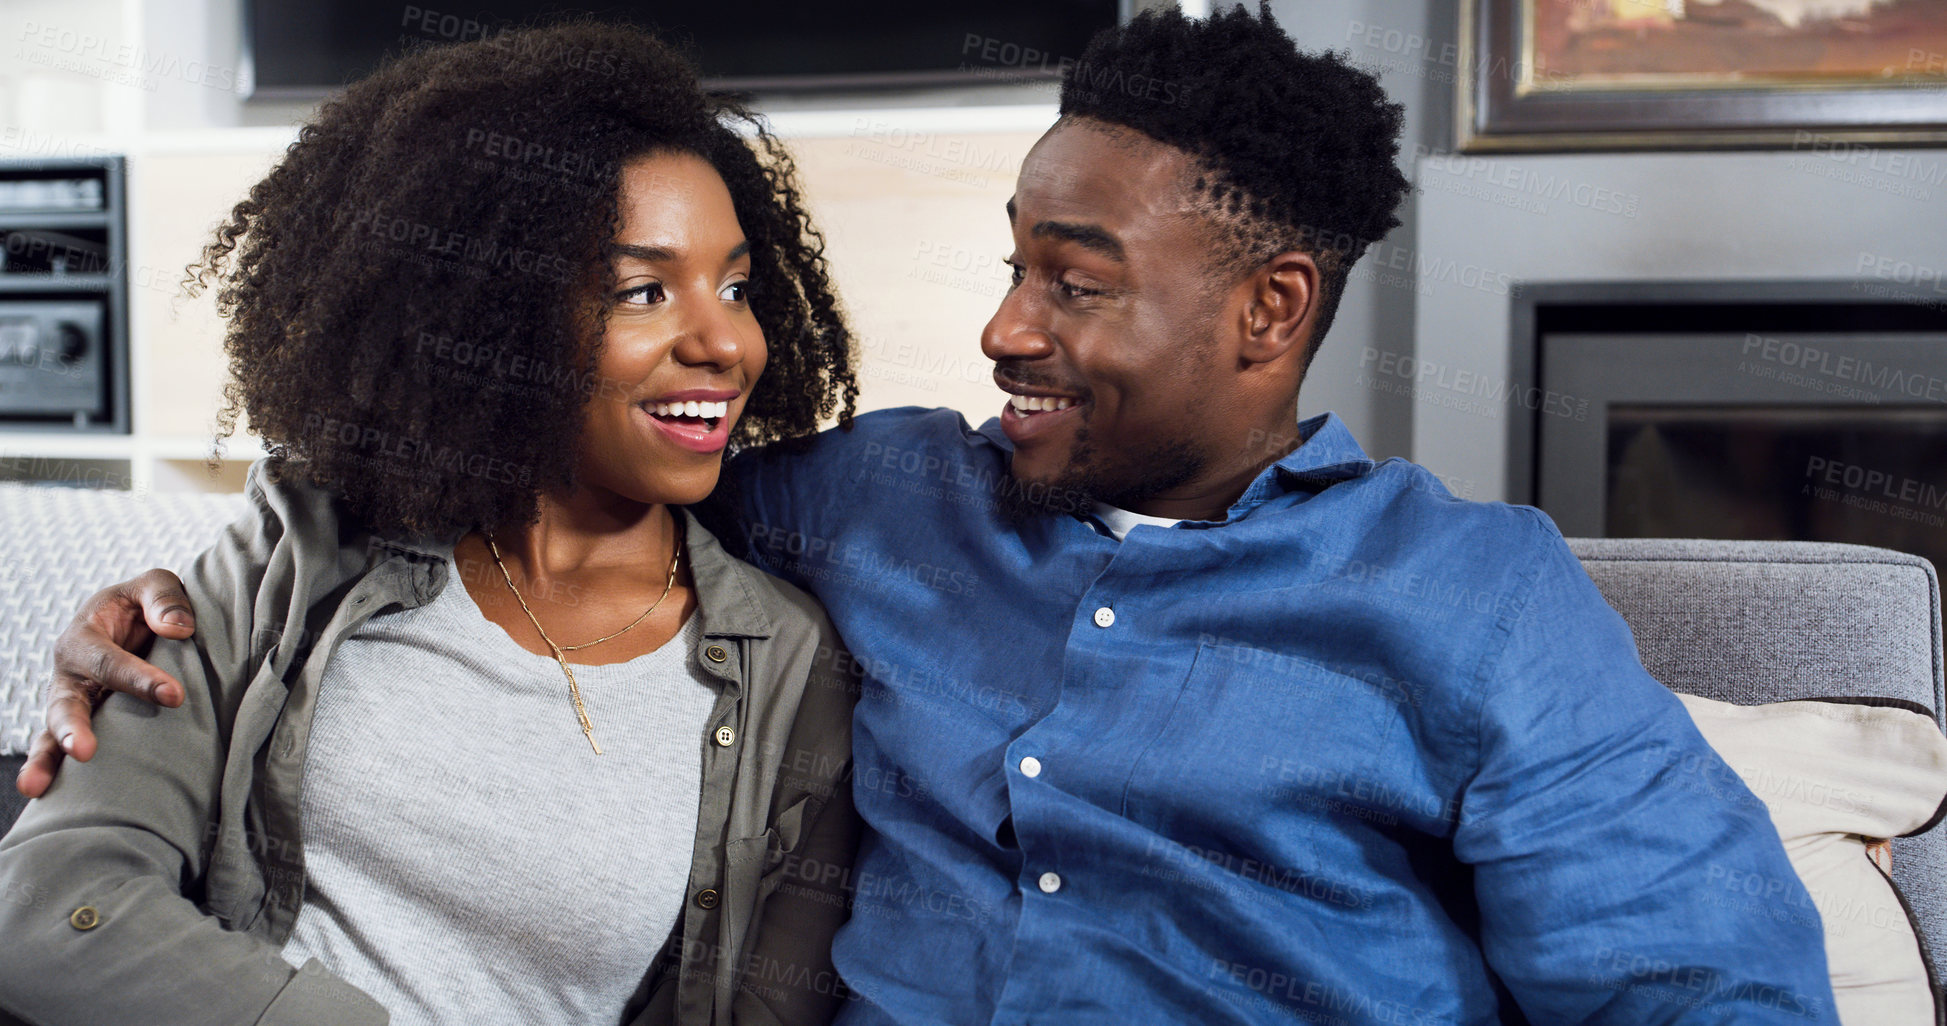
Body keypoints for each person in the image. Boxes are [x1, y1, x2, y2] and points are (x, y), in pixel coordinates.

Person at [24, 5, 1840, 1023]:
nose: (1000, 330)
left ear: (1267, 311)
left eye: (1072, 284)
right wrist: (174, 592)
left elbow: (1700, 988)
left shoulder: (1472, 598)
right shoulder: (881, 497)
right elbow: (545, 465)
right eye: (1007, 267)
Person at [0, 20, 862, 1026]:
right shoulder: (292, 561)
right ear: (493, 320)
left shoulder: (788, 669)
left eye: (737, 287)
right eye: (644, 292)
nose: (724, 340)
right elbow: (50, 909)